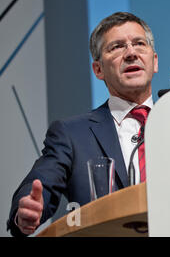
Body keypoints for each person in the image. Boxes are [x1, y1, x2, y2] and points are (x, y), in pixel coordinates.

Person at [7, 12, 158, 236]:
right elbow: (40, 187)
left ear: (154, 61)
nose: (131, 53)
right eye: (116, 47)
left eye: (139, 43)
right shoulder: (72, 134)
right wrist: (27, 210)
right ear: (98, 70)